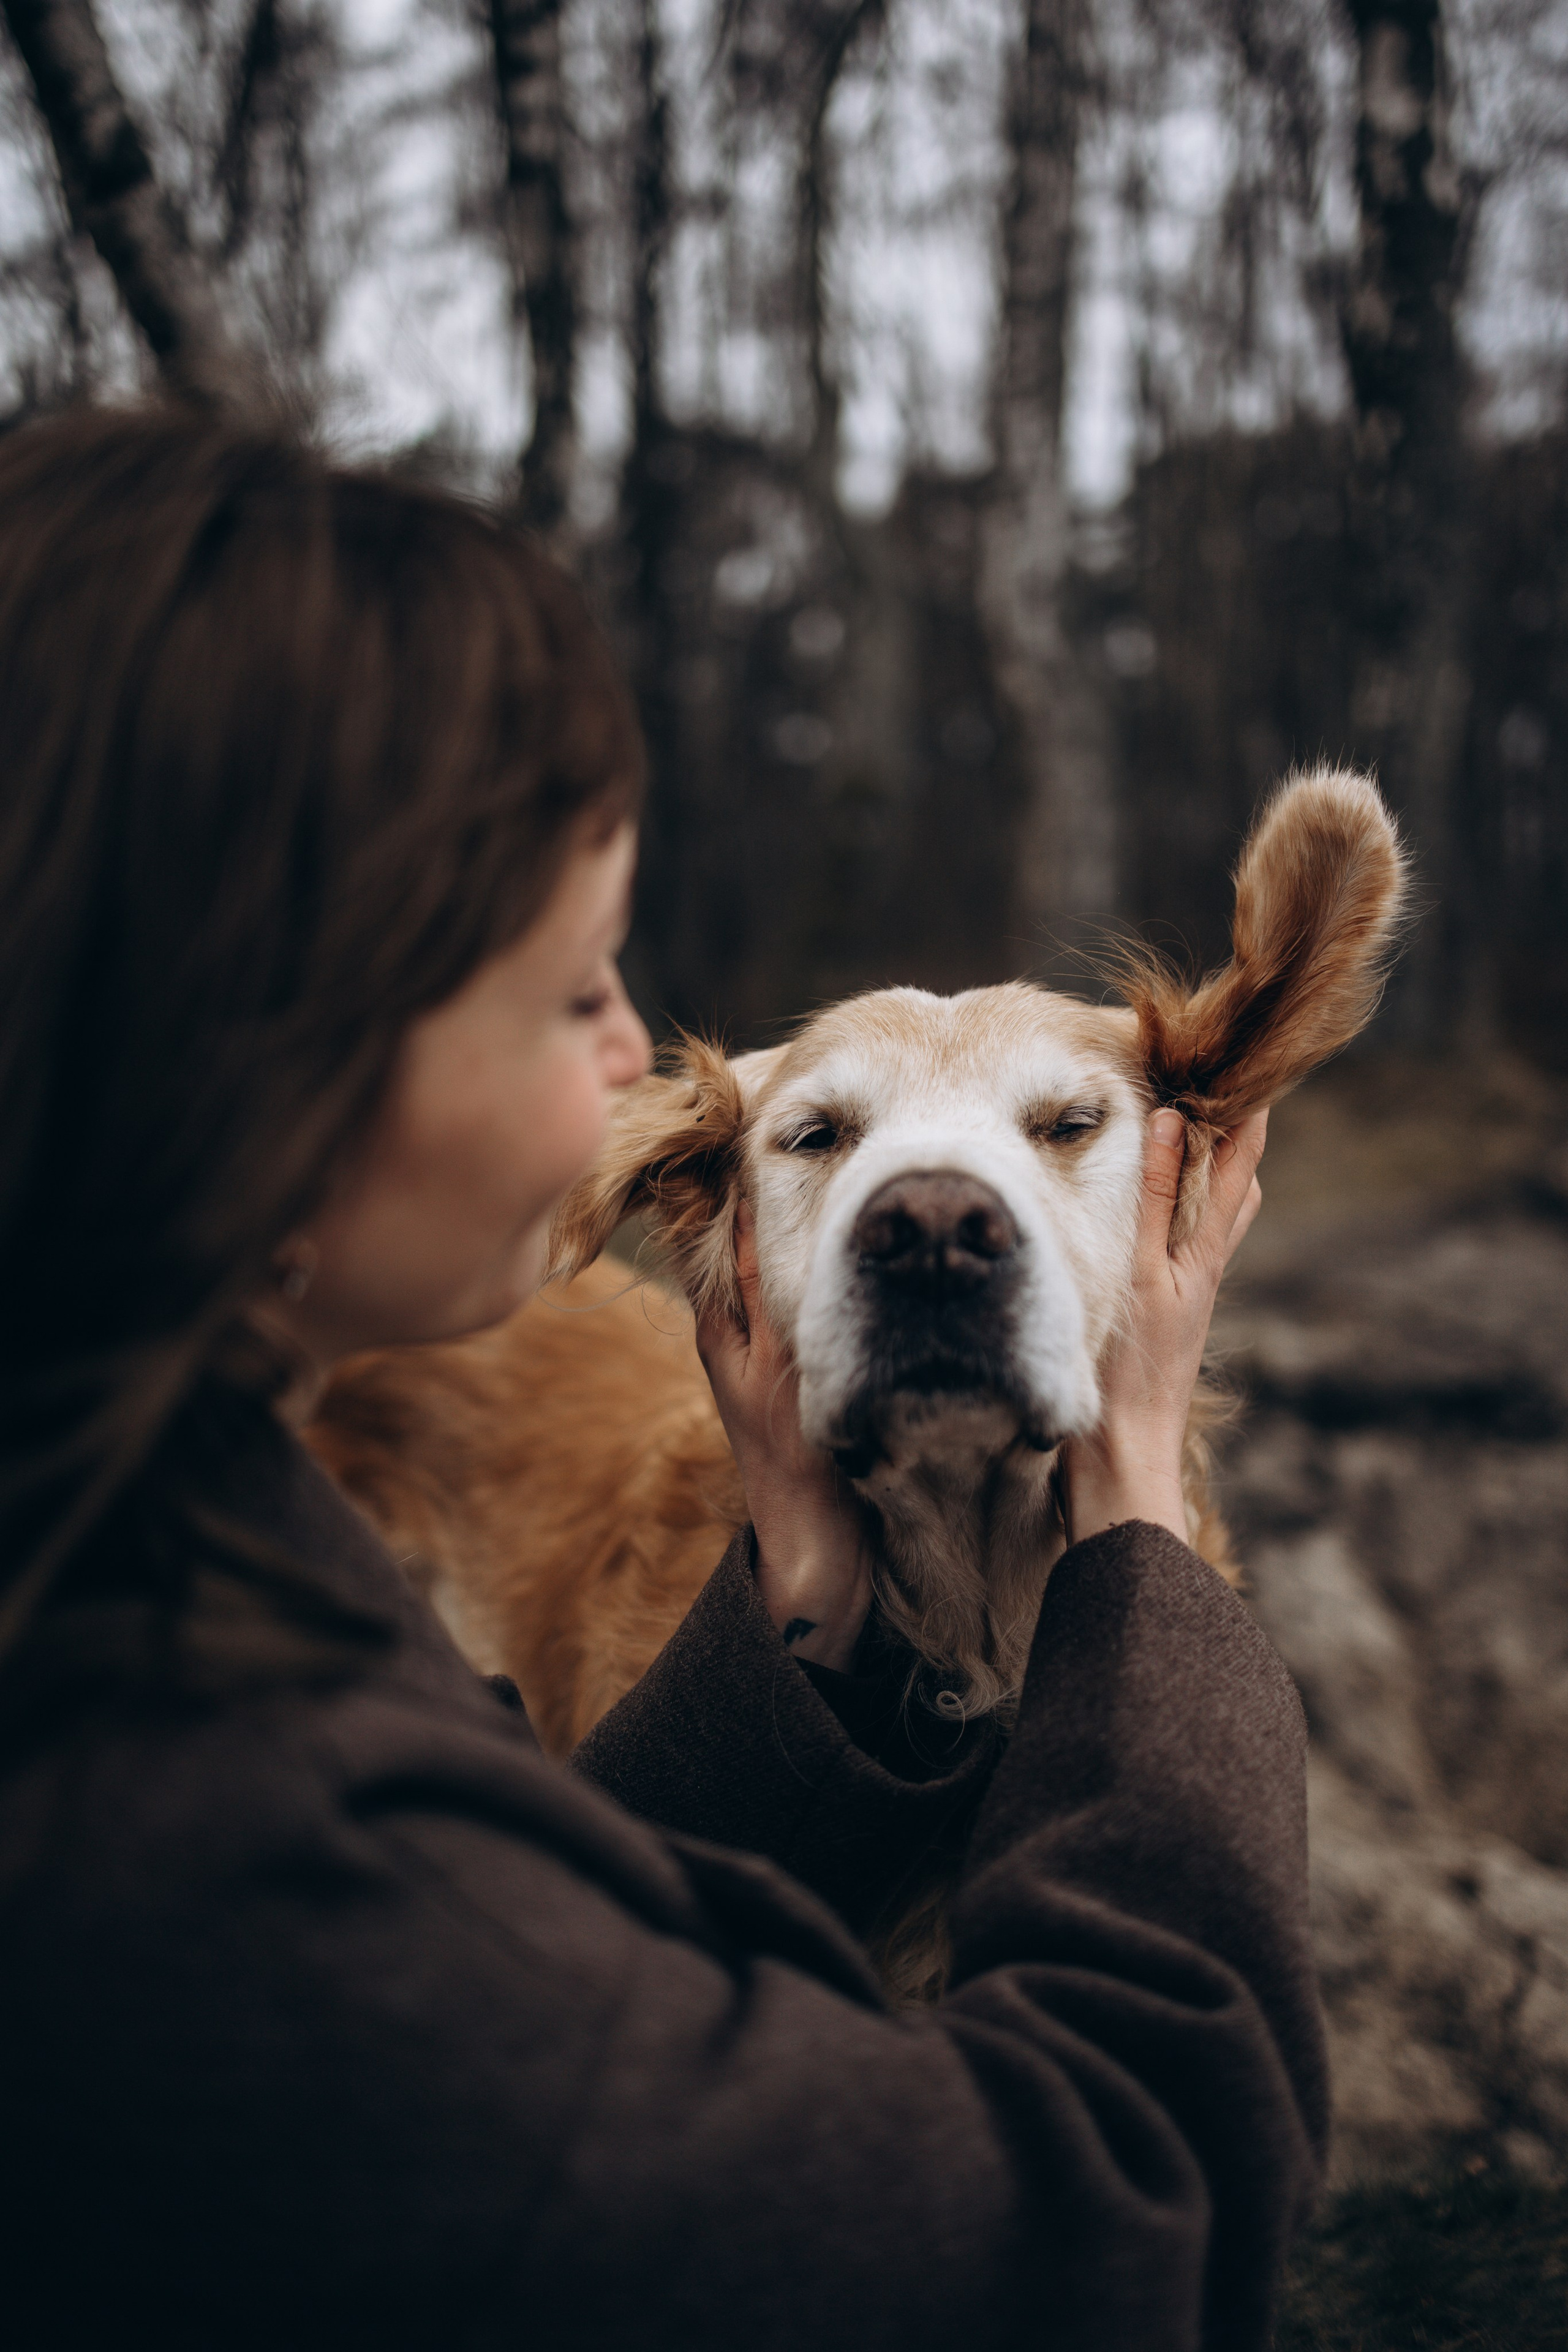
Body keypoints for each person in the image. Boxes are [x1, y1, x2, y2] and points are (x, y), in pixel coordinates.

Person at [0, 405, 1324, 2351]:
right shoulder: (223, 1835)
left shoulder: (123, 1557)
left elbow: (556, 1973)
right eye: (577, 985)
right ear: (257, 1057)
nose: (638, 1050)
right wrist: (1141, 1524)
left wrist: (793, 1586)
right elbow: (1116, 2230)